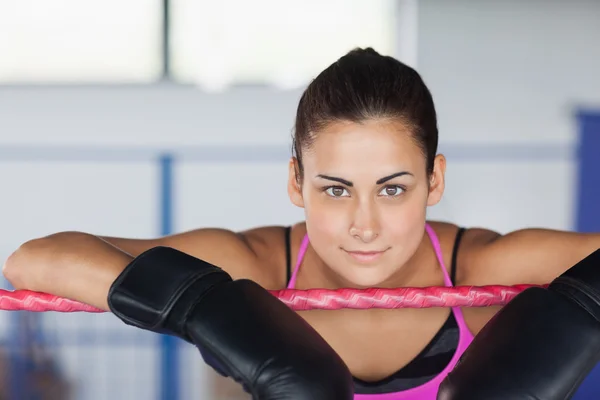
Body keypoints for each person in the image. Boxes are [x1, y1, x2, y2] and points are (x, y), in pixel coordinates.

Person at [3, 47, 600, 399]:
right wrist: (202, 308)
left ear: (434, 182)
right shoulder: (258, 266)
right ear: (296, 183)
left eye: (393, 189)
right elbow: (34, 260)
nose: (364, 225)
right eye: (335, 189)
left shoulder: (484, 270)